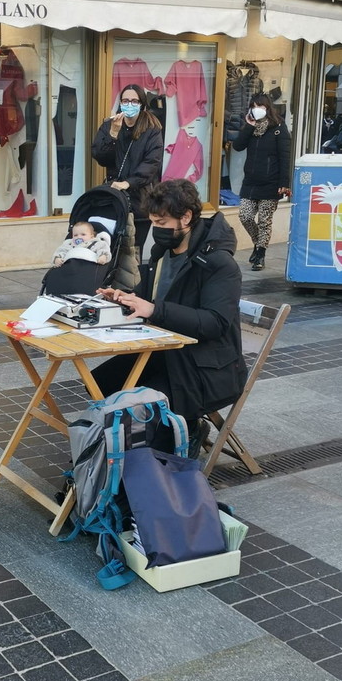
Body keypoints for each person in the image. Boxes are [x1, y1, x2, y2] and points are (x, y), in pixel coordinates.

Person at [91, 179, 247, 459]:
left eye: (162, 223)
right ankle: (123, 451)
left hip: (205, 366)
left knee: (143, 406)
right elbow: (151, 298)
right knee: (99, 382)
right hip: (166, 351)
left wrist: (154, 310)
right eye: (153, 222)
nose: (156, 230)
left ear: (186, 217)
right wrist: (124, 298)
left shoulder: (219, 263)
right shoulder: (162, 253)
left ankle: (177, 438)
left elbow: (215, 323)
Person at [92, 84, 163, 258]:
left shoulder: (152, 129)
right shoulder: (109, 125)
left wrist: (129, 182)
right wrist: (113, 134)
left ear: (142, 104)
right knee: (112, 246)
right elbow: (100, 157)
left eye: (134, 101)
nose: (129, 104)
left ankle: (133, 275)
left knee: (133, 250)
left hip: (140, 199)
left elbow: (152, 163)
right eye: (125, 101)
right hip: (114, 196)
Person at [232, 93, 291, 271]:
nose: (257, 109)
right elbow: (237, 146)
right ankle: (258, 245)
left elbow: (285, 157)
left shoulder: (279, 128)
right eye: (254, 106)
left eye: (261, 106)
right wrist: (248, 127)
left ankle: (260, 255)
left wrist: (284, 183)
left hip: (271, 182)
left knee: (265, 221)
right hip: (250, 181)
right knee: (245, 216)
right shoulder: (250, 128)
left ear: (268, 108)